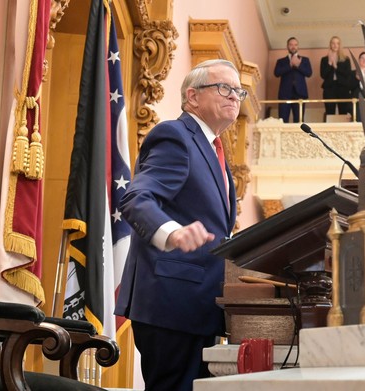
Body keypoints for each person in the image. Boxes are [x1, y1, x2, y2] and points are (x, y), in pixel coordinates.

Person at [115, 59, 240, 391]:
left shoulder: (216, 152)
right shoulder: (176, 136)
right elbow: (136, 198)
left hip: (200, 306)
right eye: (224, 87)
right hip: (171, 304)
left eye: (238, 90)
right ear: (193, 96)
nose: (235, 96)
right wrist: (171, 232)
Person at [274, 37, 313, 123]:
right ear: (287, 46)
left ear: (298, 46)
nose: (293, 47)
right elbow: (276, 73)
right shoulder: (281, 61)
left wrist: (298, 65)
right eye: (291, 45)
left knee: (299, 121)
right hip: (284, 94)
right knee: (282, 120)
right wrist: (290, 65)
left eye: (295, 45)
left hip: (300, 94)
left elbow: (309, 73)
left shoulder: (305, 60)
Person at [320, 36, 353, 117]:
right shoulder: (324, 59)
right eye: (333, 43)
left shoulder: (345, 59)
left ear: (340, 45)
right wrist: (329, 64)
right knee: (330, 112)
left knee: (343, 112)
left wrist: (336, 67)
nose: (335, 45)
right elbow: (323, 75)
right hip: (329, 88)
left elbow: (348, 73)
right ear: (330, 45)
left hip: (342, 88)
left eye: (337, 43)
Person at [351, 51, 365, 121]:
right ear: (359, 60)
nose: (364, 60)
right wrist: (357, 79)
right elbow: (350, 88)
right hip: (357, 101)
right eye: (362, 58)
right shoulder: (353, 73)